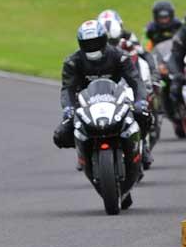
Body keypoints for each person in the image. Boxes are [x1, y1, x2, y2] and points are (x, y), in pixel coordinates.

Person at [53, 20, 149, 186]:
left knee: (144, 116)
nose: (92, 47)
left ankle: (141, 147)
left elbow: (136, 81)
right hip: (86, 104)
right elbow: (67, 88)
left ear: (104, 40)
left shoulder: (120, 57)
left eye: (96, 42)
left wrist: (141, 101)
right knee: (61, 135)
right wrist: (68, 108)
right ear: (80, 44)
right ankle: (83, 154)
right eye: (87, 43)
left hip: (118, 99)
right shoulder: (72, 62)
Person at [98, 10, 156, 168]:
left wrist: (150, 77)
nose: (111, 44)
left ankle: (143, 146)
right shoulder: (95, 47)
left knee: (140, 109)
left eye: (114, 40)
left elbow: (142, 58)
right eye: (108, 40)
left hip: (127, 80)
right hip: (105, 83)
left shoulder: (128, 41)